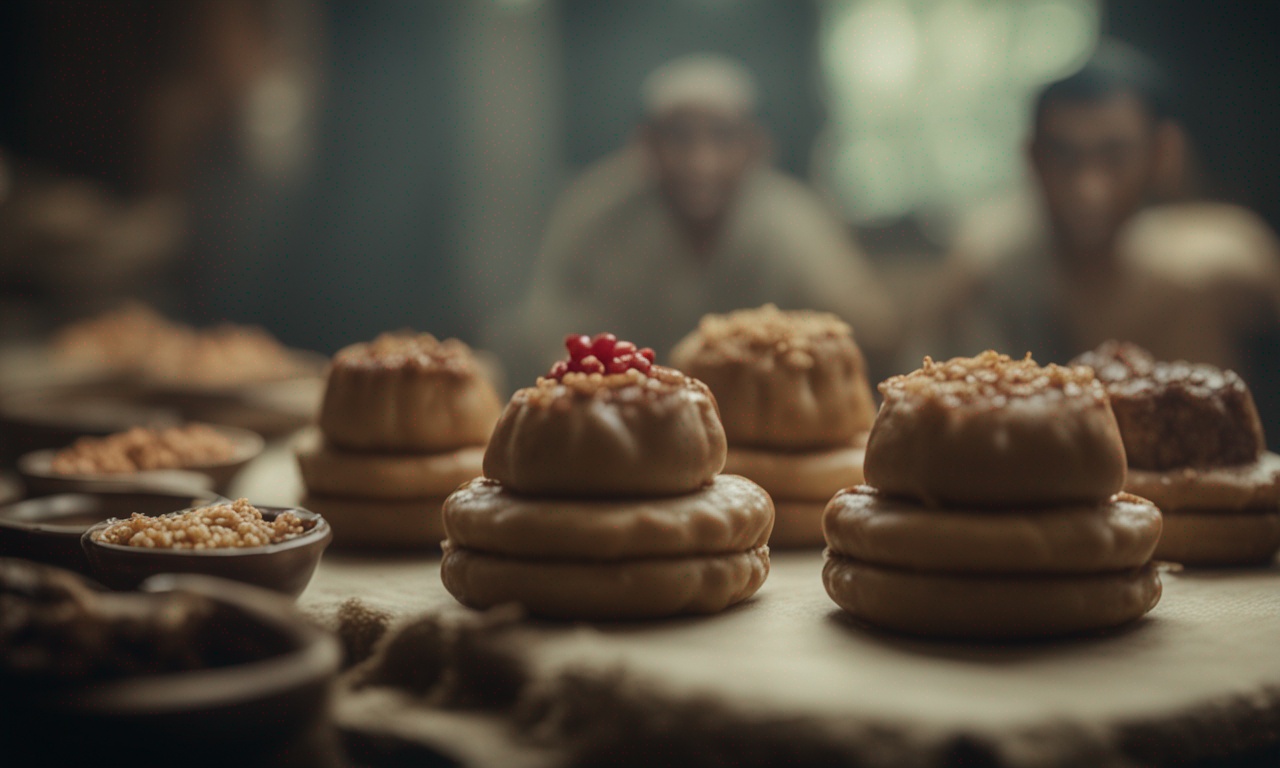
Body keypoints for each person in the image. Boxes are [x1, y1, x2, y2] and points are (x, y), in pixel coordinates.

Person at [487, 54, 898, 386]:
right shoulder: (593, 214)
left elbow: (864, 329)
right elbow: (548, 338)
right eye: (679, 138)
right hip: (619, 426)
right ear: (645, 145)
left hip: (758, 437)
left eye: (722, 137)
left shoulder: (794, 219)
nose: (701, 162)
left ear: (755, 146)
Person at [936, 41, 1280, 376]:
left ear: (1162, 153)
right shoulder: (991, 270)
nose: (1088, 189)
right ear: (1034, 158)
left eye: (1115, 156)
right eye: (1064, 156)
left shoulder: (1225, 260)